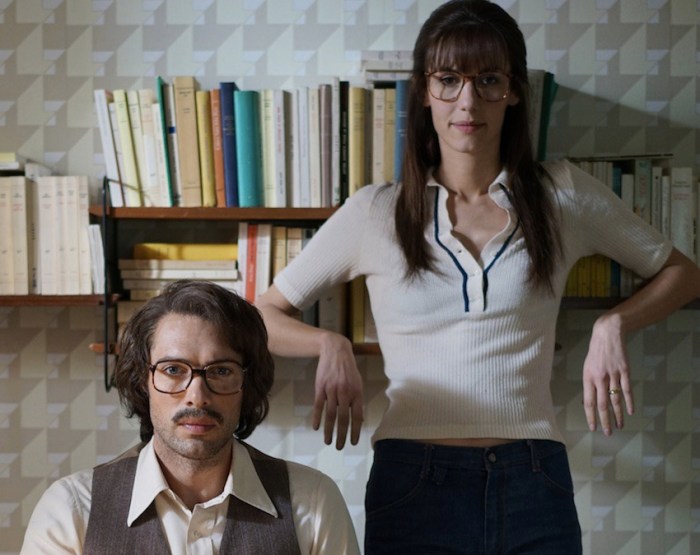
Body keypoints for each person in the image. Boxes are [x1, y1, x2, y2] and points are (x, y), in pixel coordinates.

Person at [255, 0, 700, 552]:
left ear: (513, 91)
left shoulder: (562, 196)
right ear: (424, 91)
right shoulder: (377, 211)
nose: (467, 101)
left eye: (488, 79)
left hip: (533, 478)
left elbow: (683, 274)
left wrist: (613, 324)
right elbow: (261, 314)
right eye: (449, 80)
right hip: (412, 482)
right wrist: (329, 343)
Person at [21, 280, 360, 555]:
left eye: (221, 370)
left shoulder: (313, 502)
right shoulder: (71, 509)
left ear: (247, 384)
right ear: (143, 381)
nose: (197, 395)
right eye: (173, 369)